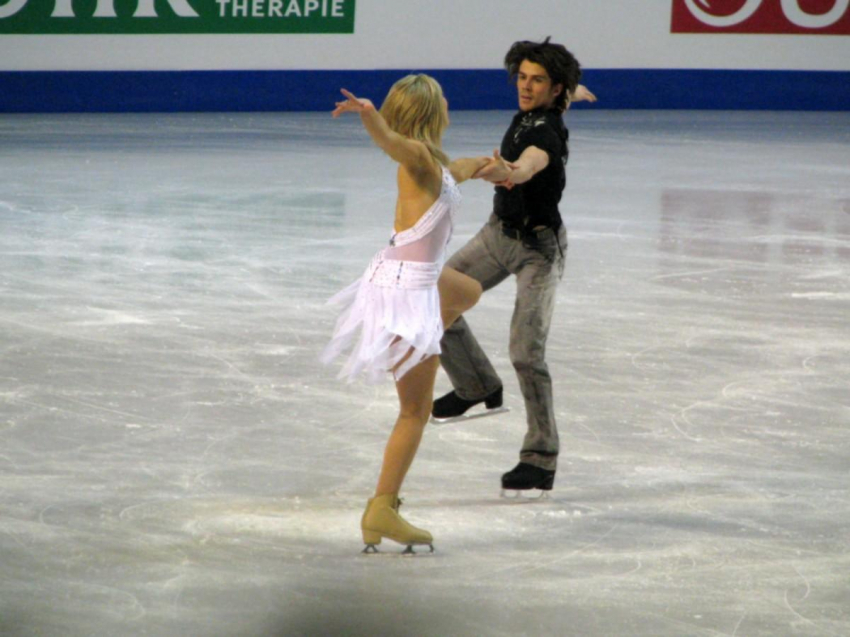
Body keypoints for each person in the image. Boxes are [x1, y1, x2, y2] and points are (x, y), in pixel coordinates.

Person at [322, 75, 512, 552]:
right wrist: (371, 116)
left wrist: (493, 167)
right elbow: (394, 145)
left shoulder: (437, 165)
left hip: (415, 278)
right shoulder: (419, 158)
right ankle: (382, 509)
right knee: (414, 411)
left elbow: (460, 169)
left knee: (467, 289)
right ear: (429, 110)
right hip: (406, 289)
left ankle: (424, 342)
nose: (449, 101)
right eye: (442, 97)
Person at [431, 38, 597, 495]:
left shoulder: (546, 135)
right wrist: (573, 91)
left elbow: (528, 166)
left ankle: (540, 459)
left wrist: (508, 172)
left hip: (538, 252)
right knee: (433, 297)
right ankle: (476, 386)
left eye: (537, 80)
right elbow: (563, 98)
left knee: (526, 354)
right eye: (522, 77)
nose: (525, 87)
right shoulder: (550, 103)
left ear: (553, 88)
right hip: (496, 235)